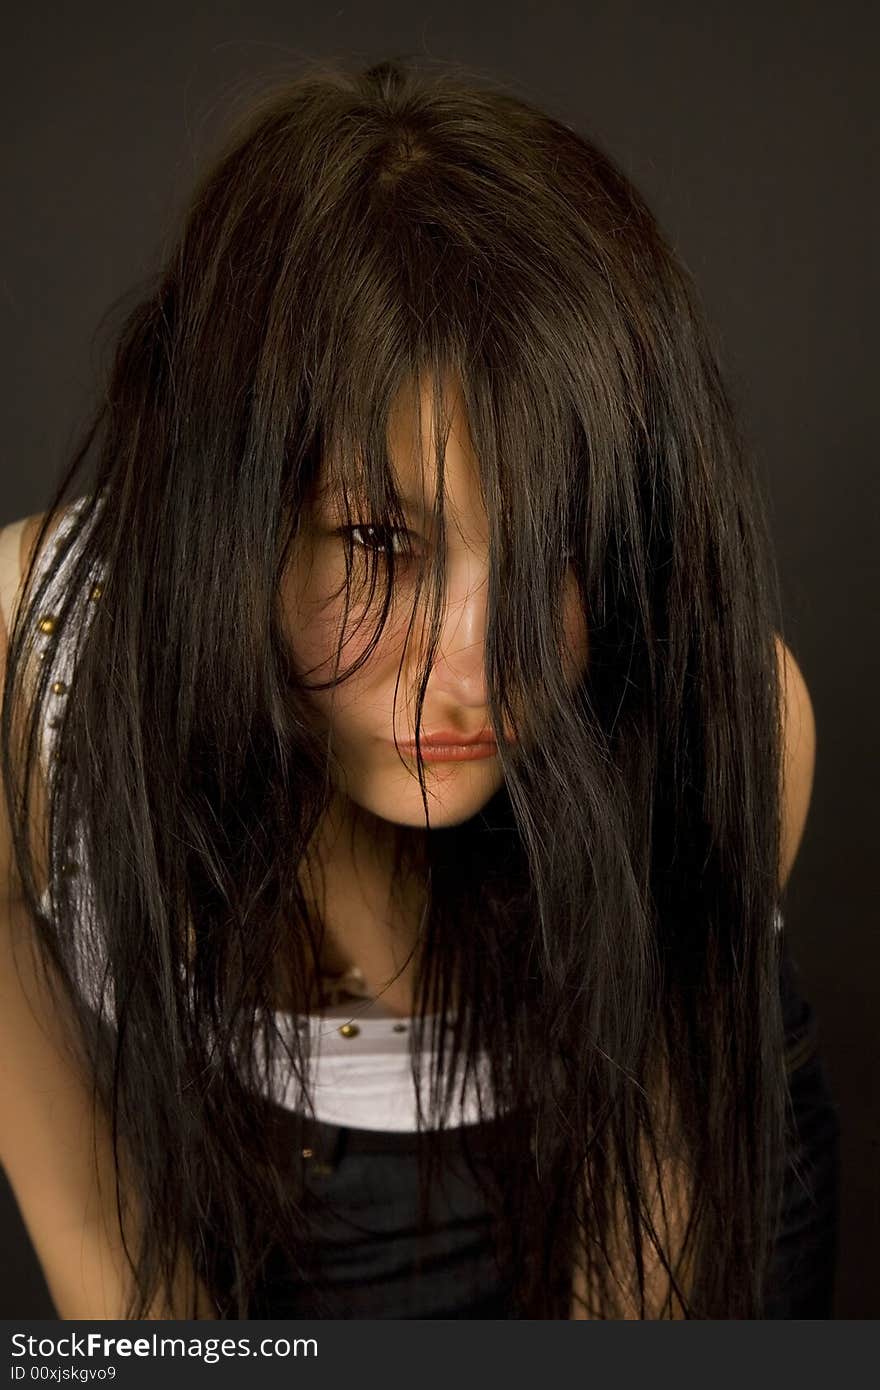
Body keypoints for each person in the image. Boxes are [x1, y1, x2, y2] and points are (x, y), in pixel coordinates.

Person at [0, 56, 839, 1320]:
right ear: (225, 515)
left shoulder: (721, 712)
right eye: (379, 542)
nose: (475, 673)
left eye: (556, 547)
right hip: (240, 1199)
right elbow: (104, 1249)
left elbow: (646, 1243)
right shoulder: (32, 656)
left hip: (646, 1178)